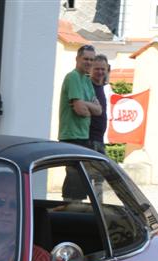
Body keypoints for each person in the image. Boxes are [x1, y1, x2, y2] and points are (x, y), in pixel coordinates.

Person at [58, 45, 102, 199]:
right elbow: (80, 111)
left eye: (91, 59)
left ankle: (75, 207)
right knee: (74, 178)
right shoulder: (73, 77)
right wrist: (89, 106)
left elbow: (99, 110)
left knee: (80, 179)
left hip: (83, 135)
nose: (89, 62)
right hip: (71, 135)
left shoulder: (86, 80)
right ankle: (70, 210)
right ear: (77, 59)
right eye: (86, 59)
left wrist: (86, 104)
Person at [88, 54, 111, 155]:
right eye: (97, 69)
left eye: (103, 69)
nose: (100, 72)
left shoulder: (103, 87)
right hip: (89, 140)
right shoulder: (87, 86)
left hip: (99, 140)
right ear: (91, 69)